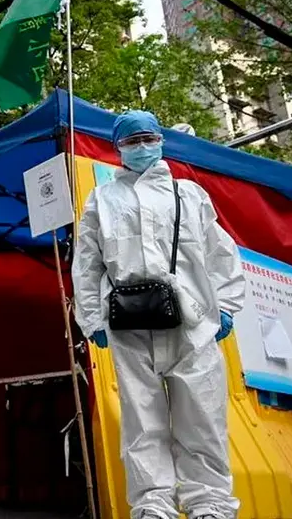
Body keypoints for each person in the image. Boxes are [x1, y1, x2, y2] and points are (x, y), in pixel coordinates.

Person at [72, 111, 245, 519]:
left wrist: (227, 305)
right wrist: (92, 320)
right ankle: (153, 504)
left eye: (148, 138)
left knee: (201, 418)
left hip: (193, 321)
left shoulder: (189, 194)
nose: (141, 147)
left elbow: (221, 252)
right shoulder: (103, 199)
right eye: (132, 141)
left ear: (162, 140)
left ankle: (211, 504)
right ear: (118, 148)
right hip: (130, 325)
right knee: (141, 420)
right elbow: (87, 262)